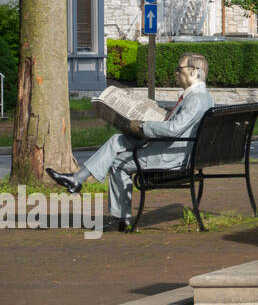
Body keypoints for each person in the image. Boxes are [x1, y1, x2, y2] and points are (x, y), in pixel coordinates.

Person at [46, 53, 214, 231]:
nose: (176, 73)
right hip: (173, 147)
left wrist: (144, 126)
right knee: (117, 140)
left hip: (172, 155)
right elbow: (178, 125)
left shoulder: (195, 99)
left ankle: (123, 219)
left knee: (119, 163)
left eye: (179, 69)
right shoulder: (200, 97)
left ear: (194, 72)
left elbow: (174, 129)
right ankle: (76, 179)